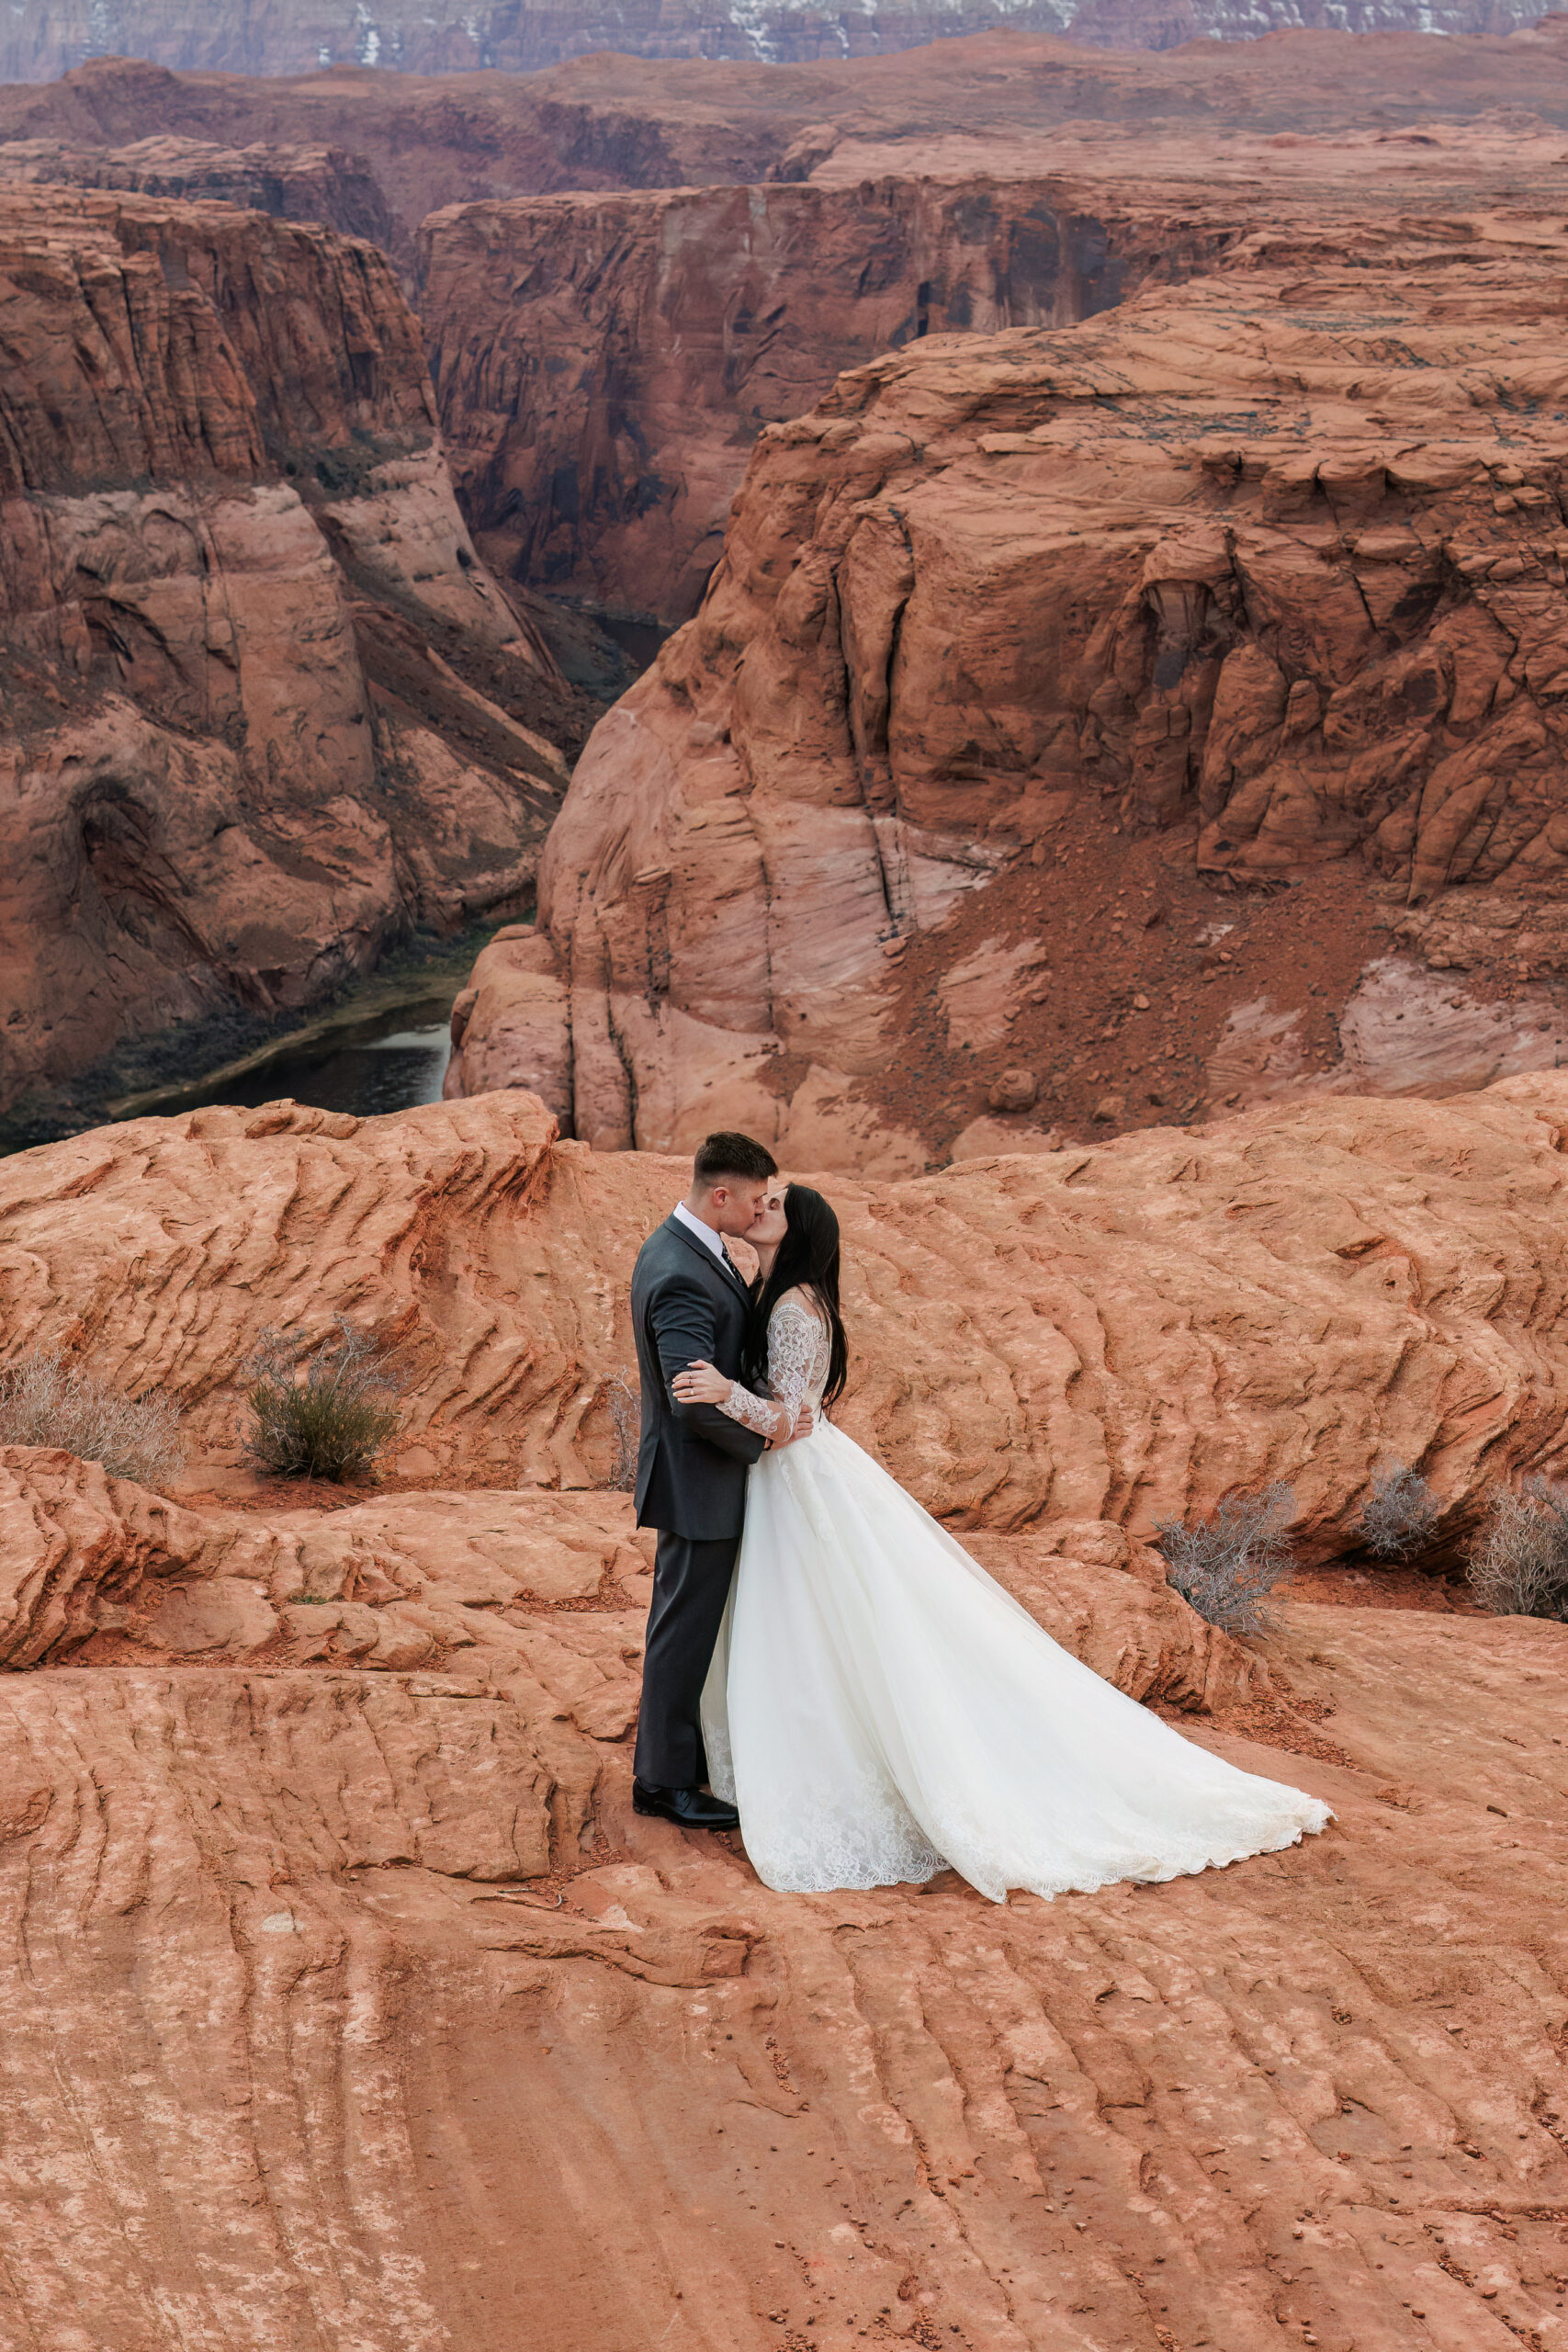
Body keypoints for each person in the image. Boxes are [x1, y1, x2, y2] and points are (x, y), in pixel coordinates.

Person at [671, 1181, 1331, 1900]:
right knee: (812, 1627)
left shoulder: (796, 1306)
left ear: (802, 1233)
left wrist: (723, 1394)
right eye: (759, 1201)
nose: (760, 1208)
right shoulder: (774, 1292)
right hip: (792, 1483)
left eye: (776, 1207)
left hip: (798, 1477)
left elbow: (792, 1418)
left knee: (826, 1625)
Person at [628, 1131, 811, 1830]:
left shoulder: (690, 1250)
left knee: (689, 1625)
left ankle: (679, 1760)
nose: (760, 1209)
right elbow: (689, 1395)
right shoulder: (678, 1269)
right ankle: (663, 1783)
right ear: (721, 1195)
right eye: (755, 1198)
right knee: (682, 1630)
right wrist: (762, 1441)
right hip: (698, 1480)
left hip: (699, 1476)